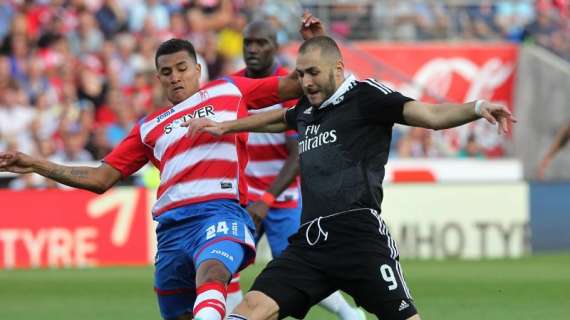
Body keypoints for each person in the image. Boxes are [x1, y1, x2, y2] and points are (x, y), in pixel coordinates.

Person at [0, 13, 322, 319]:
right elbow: (100, 178)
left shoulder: (231, 89)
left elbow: (296, 84)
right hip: (171, 230)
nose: (175, 77)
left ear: (197, 69)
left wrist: (314, 45)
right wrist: (36, 164)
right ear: (159, 79)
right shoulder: (148, 126)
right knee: (178, 312)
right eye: (167, 72)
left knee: (213, 273)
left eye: (182, 68)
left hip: (220, 210)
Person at [183, 36, 516, 320]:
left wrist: (477, 106)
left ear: (338, 69)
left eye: (313, 73)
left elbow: (429, 114)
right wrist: (227, 126)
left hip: (358, 237)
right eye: (300, 74)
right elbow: (275, 120)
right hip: (310, 244)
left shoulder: (365, 96)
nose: (306, 82)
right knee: (253, 307)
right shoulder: (307, 109)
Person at [225, 20, 364, 320]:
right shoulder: (232, 87)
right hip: (244, 200)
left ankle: (349, 314)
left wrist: (267, 199)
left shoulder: (294, 87)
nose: (252, 49)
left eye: (260, 42)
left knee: (300, 268)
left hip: (282, 199)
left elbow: (299, 153)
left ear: (275, 47)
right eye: (247, 42)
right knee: (227, 266)